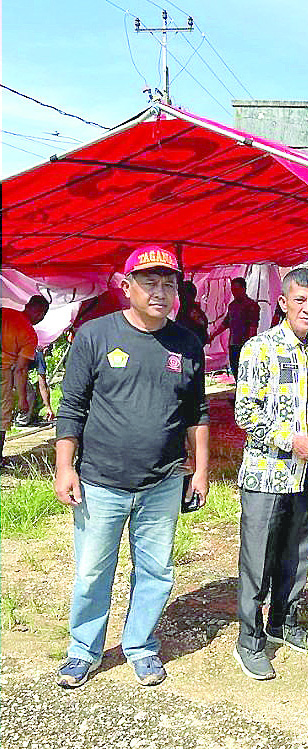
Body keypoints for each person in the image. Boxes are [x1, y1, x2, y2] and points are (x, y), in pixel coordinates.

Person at [54, 245, 209, 689]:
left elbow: (196, 411)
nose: (160, 291)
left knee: (157, 570)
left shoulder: (186, 342)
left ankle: (140, 646)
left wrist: (198, 471)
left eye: (168, 283)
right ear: (126, 287)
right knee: (91, 571)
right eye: (149, 282)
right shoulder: (95, 336)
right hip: (100, 481)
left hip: (163, 482)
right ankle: (83, 651)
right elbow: (72, 407)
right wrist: (66, 467)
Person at [233, 267, 308, 680]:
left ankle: (283, 622)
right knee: (257, 559)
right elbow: (245, 412)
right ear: (283, 303)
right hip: (266, 474)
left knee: (296, 555)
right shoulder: (260, 349)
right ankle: (249, 639)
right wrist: (290, 440)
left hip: (305, 477)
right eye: (300, 301)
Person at [1, 295, 50, 463]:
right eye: (43, 315)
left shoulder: (5, 313)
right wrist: (23, 399)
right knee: (1, 416)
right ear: (40, 313)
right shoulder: (29, 333)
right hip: (3, 372)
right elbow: (21, 370)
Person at [209, 277, 260, 380]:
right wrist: (213, 335)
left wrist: (250, 345)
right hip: (233, 344)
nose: (234, 293)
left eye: (236, 290)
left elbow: (253, 327)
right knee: (235, 369)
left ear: (244, 289)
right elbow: (226, 323)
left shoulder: (251, 305)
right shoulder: (232, 305)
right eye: (232, 290)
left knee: (246, 371)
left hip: (245, 344)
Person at [15, 347, 56, 426]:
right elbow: (43, 385)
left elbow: (42, 385)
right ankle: (21, 420)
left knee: (36, 389)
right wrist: (49, 408)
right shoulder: (39, 353)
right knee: (29, 393)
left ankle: (32, 415)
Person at [176, 280, 209, 346]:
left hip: (193, 343)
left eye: (182, 293)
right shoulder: (184, 308)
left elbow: (202, 324)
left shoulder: (191, 308)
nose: (180, 296)